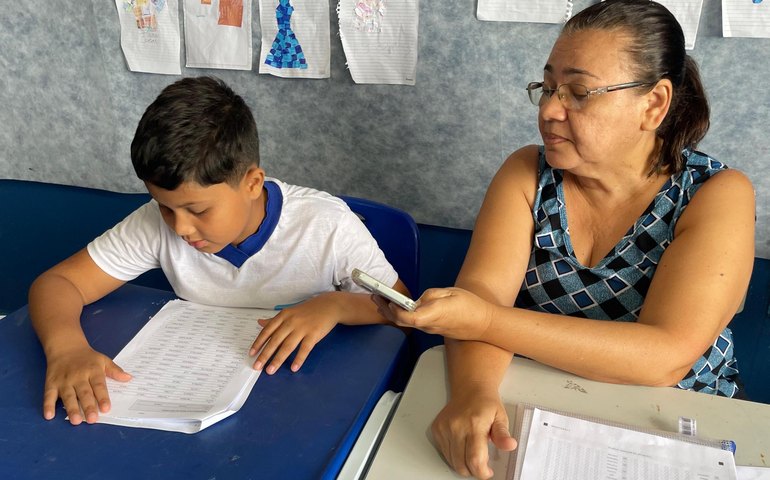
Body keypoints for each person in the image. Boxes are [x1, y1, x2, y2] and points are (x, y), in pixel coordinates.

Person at [374, 1, 755, 478]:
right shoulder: (528, 174)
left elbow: (663, 357)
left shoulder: (715, 194)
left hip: (679, 422)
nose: (551, 110)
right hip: (545, 406)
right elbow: (482, 298)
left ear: (653, 104)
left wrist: (486, 320)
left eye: (578, 92)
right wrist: (474, 395)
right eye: (549, 87)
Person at [29, 76, 409, 426]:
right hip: (206, 394)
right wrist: (66, 348)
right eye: (164, 206)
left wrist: (336, 305)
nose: (178, 227)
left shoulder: (327, 226)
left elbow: (404, 310)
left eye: (197, 210)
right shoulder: (156, 224)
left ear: (252, 183)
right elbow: (59, 282)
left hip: (304, 401)